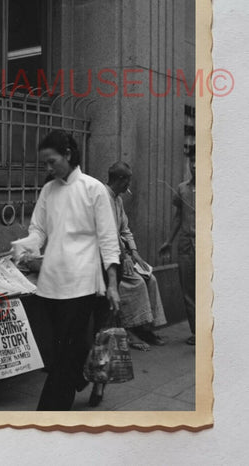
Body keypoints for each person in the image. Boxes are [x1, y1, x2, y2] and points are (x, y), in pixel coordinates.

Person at [11, 130, 121, 411]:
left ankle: (49, 413)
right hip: (51, 282)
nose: (48, 169)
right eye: (44, 164)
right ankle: (77, 374)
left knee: (63, 355)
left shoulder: (93, 189)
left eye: (52, 162)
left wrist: (112, 284)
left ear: (68, 155)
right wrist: (23, 246)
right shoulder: (48, 190)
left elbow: (109, 239)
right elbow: (38, 230)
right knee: (63, 349)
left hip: (82, 282)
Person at [88, 161, 168, 407]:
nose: (129, 185)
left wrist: (132, 254)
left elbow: (124, 230)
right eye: (128, 181)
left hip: (115, 264)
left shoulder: (118, 201)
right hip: (102, 264)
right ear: (121, 180)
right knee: (100, 326)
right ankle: (129, 333)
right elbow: (103, 235)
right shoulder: (100, 195)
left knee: (107, 324)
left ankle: (143, 328)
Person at [160, 149, 196, 345]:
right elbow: (177, 217)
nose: (195, 165)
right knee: (188, 289)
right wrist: (169, 241)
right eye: (192, 161)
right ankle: (196, 332)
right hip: (185, 244)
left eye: (199, 161)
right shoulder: (182, 188)